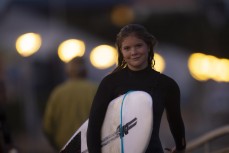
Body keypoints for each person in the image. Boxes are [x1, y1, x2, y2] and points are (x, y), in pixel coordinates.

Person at [87, 24, 186, 153]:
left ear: (148, 46)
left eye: (138, 46)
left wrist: (180, 147)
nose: (133, 52)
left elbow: (176, 122)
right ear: (121, 52)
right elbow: (94, 127)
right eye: (127, 48)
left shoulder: (166, 85)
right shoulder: (110, 83)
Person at [43, 57, 97, 151]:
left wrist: (57, 146)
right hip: (91, 146)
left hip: (65, 147)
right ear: (85, 71)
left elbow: (47, 127)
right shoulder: (95, 90)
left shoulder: (57, 93)